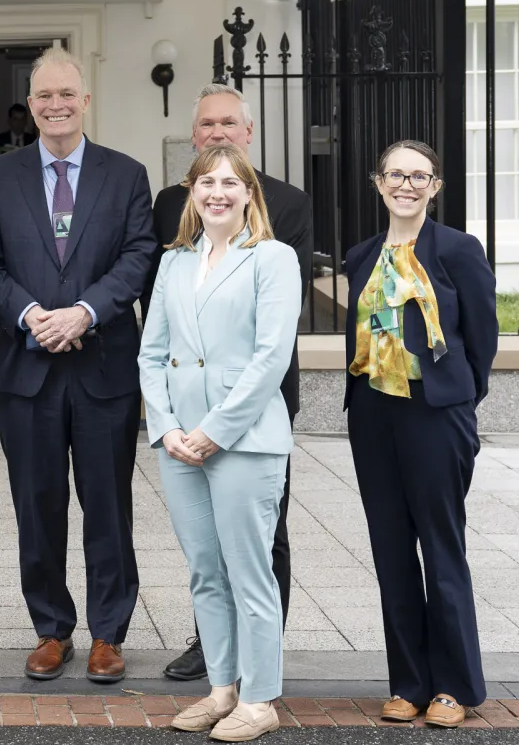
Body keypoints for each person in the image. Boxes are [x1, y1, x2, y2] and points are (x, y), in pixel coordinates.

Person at [0, 47, 155, 684]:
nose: (55, 105)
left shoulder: (126, 174)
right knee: (37, 505)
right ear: (31, 103)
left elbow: (138, 256)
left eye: (66, 94)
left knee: (108, 504)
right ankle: (51, 628)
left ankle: (108, 632)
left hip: (102, 366)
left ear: (85, 99)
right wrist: (31, 316)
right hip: (27, 370)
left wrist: (84, 311)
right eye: (44, 95)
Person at [147, 83, 311, 682]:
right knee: (205, 569)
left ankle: (258, 690)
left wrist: (214, 430)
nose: (217, 191)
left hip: (246, 421)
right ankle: (220, 683)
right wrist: (166, 425)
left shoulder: (274, 251)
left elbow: (273, 350)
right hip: (180, 434)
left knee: (256, 561)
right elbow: (155, 346)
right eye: (206, 181)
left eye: (230, 182)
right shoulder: (174, 252)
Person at [344, 140, 496, 728]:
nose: (406, 185)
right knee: (390, 552)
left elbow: (481, 338)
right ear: (377, 183)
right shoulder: (360, 256)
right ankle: (408, 683)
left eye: (419, 176)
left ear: (434, 186)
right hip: (374, 418)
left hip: (436, 416)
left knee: (440, 546)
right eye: (395, 175)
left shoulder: (457, 249)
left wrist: (459, 398)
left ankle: (453, 687)